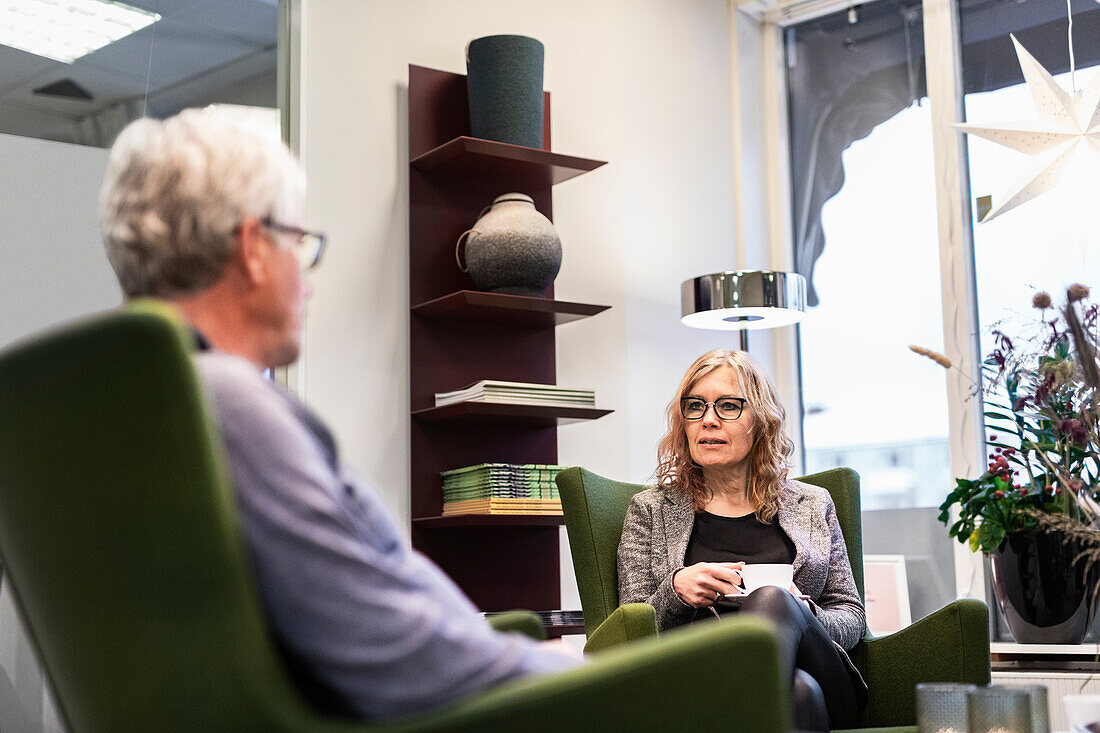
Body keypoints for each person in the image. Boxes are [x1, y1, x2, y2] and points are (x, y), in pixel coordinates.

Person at [98, 109, 580, 720]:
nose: (308, 278)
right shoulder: (228, 405)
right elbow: (391, 652)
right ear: (252, 249)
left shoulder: (121, 410)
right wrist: (570, 670)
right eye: (299, 242)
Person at [617, 349, 867, 731]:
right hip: (699, 680)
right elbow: (629, 628)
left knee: (774, 599)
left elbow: (850, 615)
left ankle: (747, 684)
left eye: (729, 406)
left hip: (819, 671)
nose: (709, 420)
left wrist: (800, 612)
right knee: (798, 694)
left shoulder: (812, 504)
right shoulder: (651, 510)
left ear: (761, 421)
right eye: (695, 406)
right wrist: (676, 590)